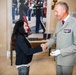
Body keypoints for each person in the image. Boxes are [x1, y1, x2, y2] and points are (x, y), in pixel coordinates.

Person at [41, 2, 76, 75]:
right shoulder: (59, 23)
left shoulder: (74, 23)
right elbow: (55, 38)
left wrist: (60, 51)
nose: (55, 14)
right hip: (58, 59)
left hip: (67, 60)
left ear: (63, 10)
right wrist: (46, 45)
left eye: (56, 11)